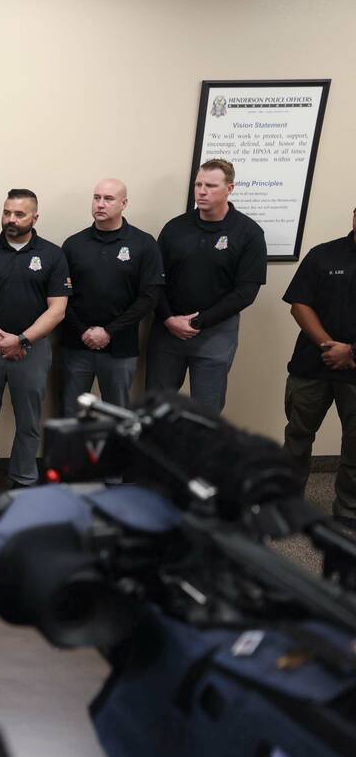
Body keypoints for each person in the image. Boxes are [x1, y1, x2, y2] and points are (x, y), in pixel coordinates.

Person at [0, 189, 69, 506]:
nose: (11, 219)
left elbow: (57, 310)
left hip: (32, 350)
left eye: (19, 214)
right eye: (7, 212)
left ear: (35, 217)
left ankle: (23, 479)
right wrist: (2, 340)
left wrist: (21, 340)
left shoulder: (52, 255)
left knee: (29, 420)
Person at [146, 159, 267, 414]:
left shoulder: (248, 232)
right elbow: (155, 280)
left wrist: (198, 322)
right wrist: (168, 319)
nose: (201, 191)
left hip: (215, 333)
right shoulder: (175, 228)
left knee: (206, 412)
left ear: (230, 188)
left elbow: (246, 291)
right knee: (156, 408)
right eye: (198, 184)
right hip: (168, 331)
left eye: (210, 186)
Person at [60, 179, 163, 414]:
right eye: (97, 198)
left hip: (120, 348)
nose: (100, 204)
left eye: (108, 199)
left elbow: (149, 297)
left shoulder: (143, 244)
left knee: (118, 417)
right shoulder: (74, 244)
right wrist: (84, 330)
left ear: (124, 203)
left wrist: (109, 331)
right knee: (72, 414)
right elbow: (61, 296)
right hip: (77, 345)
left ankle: (115, 454)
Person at [282, 207, 356, 529]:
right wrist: (330, 346)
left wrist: (351, 351)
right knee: (297, 436)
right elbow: (300, 304)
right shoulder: (323, 255)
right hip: (312, 365)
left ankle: (348, 512)